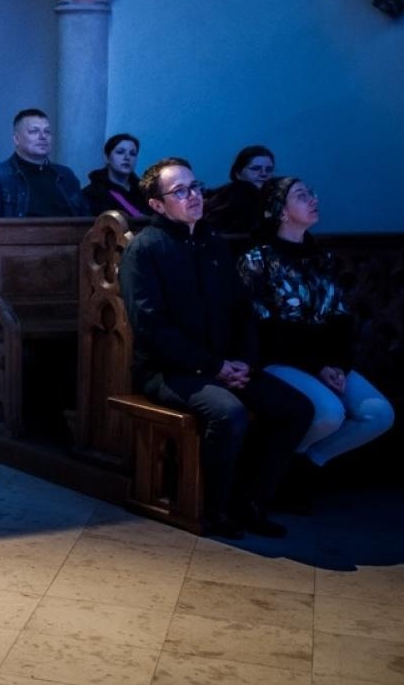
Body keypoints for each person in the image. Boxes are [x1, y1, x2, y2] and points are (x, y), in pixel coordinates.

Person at [120, 157, 313, 538]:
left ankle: (252, 501)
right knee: (228, 413)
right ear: (157, 204)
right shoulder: (145, 250)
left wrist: (244, 362)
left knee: (295, 409)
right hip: (168, 371)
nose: (194, 196)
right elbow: (151, 327)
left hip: (225, 364)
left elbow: (242, 310)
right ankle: (216, 509)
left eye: (195, 187)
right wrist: (214, 367)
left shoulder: (213, 242)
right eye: (180, 191)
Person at [237, 177, 393, 471]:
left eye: (311, 193)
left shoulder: (323, 258)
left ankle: (306, 463)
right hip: (280, 359)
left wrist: (338, 364)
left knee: (379, 414)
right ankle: (270, 468)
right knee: (328, 413)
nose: (313, 199)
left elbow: (341, 318)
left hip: (327, 361)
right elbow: (265, 329)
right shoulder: (257, 260)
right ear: (282, 212)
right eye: (301, 195)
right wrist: (318, 366)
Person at [0, 108, 89, 218]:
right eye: (34, 131)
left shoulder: (66, 175)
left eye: (47, 131)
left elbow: (85, 221)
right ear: (16, 139)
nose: (43, 137)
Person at [204, 145, 275, 234]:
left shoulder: (221, 195)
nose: (263, 174)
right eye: (255, 168)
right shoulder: (243, 193)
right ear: (238, 173)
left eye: (269, 169)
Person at [83, 132, 153, 217]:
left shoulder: (145, 191)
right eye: (120, 152)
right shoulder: (91, 194)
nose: (127, 157)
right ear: (107, 158)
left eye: (132, 154)